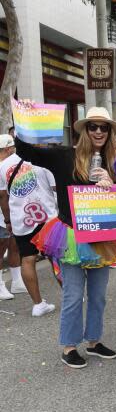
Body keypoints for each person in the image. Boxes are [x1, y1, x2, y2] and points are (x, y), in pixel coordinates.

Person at [14, 106, 116, 368]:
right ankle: (69, 346)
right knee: (73, 295)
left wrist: (113, 184)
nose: (99, 131)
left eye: (104, 127)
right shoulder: (65, 156)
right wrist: (23, 120)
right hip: (71, 236)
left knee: (98, 295)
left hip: (102, 237)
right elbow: (25, 151)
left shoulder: (113, 162)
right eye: (93, 126)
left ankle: (94, 341)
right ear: (85, 130)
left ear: (109, 132)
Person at [0, 135, 57, 315]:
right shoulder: (44, 160)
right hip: (47, 216)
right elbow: (56, 189)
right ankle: (73, 295)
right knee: (56, 257)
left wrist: (8, 220)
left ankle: (38, 304)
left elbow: (3, 197)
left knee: (28, 258)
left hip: (21, 218)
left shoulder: (3, 166)